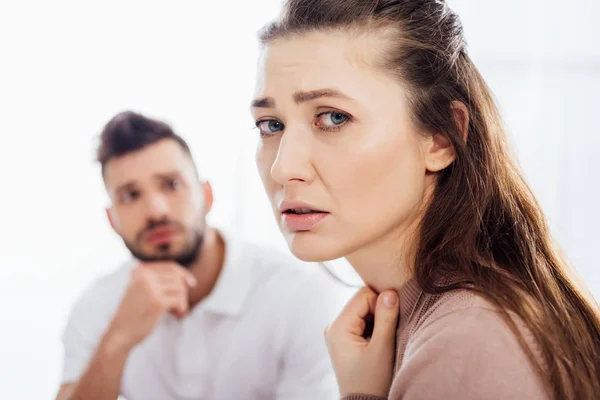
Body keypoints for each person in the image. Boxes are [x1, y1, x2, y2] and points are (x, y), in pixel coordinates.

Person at [251, 1, 600, 399]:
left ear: (441, 139)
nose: (282, 168)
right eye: (271, 125)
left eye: (333, 118)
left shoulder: (467, 342)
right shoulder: (438, 325)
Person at [56, 111, 343, 400]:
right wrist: (117, 341)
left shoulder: (297, 294)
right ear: (112, 220)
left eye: (171, 184)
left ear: (206, 195)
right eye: (130, 196)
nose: (156, 210)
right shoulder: (97, 308)